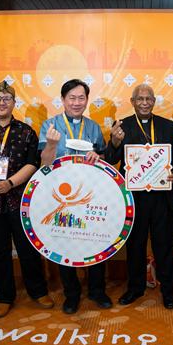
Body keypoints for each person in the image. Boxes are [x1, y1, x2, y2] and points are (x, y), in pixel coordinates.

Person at [0, 81, 53, 318]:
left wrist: (11, 183)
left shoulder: (26, 131)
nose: (2, 103)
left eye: (7, 99)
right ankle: (5, 296)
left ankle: (38, 291)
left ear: (14, 103)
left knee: (28, 249)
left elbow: (32, 163)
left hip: (20, 199)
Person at [104, 84, 173, 309]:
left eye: (149, 98)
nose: (145, 102)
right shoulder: (122, 126)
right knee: (136, 246)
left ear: (154, 101)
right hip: (134, 199)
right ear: (132, 101)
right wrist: (115, 142)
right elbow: (110, 160)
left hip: (162, 199)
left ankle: (168, 290)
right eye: (140, 99)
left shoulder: (167, 126)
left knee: (165, 246)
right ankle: (135, 288)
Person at [39, 79, 112, 314]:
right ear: (62, 100)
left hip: (90, 196)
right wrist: (51, 144)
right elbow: (44, 163)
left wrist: (97, 156)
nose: (77, 102)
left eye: (81, 98)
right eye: (72, 98)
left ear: (86, 101)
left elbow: (102, 158)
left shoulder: (93, 127)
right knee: (64, 241)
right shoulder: (49, 126)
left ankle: (97, 290)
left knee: (96, 240)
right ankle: (71, 294)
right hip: (60, 197)